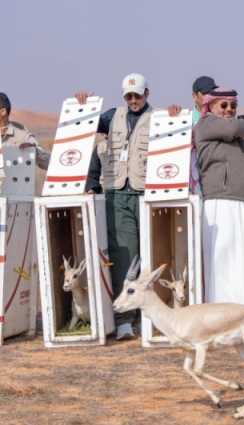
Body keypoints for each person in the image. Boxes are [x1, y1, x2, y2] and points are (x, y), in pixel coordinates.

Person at [77, 73, 154, 340]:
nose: (133, 100)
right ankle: (124, 320)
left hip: (148, 195)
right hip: (118, 195)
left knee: (151, 254)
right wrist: (83, 105)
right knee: (125, 255)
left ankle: (151, 317)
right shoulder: (112, 116)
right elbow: (84, 126)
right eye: (129, 96)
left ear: (147, 94)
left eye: (138, 95)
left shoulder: (158, 118)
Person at [194, 87, 244, 304]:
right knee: (222, 260)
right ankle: (221, 312)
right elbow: (235, 127)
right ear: (210, 106)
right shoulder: (207, 123)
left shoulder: (239, 136)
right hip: (221, 203)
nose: (229, 109)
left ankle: (243, 311)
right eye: (224, 105)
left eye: (233, 106)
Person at [0, 92, 50, 177]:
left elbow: (48, 162)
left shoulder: (21, 134)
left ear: (3, 112)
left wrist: (33, 151)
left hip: (13, 189)